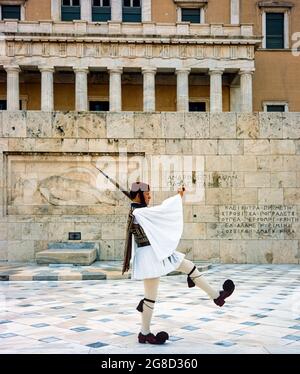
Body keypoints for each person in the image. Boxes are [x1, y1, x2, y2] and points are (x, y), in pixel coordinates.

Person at [122, 182, 235, 345]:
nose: (150, 196)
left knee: (189, 266)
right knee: (150, 298)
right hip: (151, 258)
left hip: (156, 253)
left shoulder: (138, 211)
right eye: (147, 194)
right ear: (139, 195)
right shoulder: (141, 213)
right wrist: (178, 197)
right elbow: (162, 211)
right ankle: (144, 333)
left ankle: (217, 296)